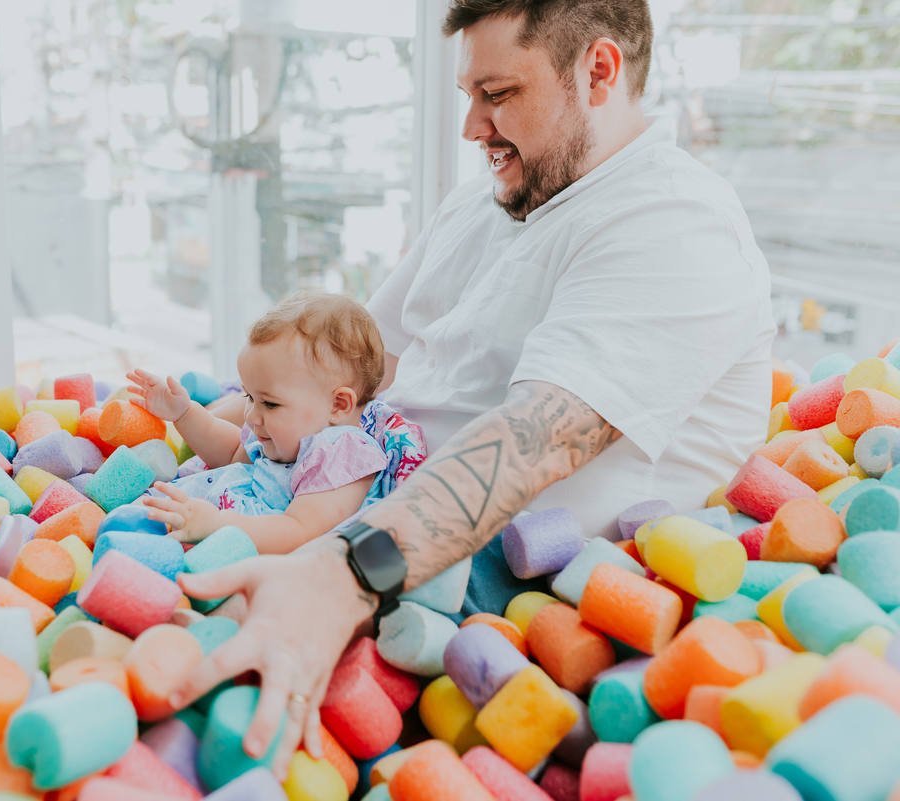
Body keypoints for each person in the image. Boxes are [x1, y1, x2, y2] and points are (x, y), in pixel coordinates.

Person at [168, 0, 775, 780]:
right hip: (329, 497)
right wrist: (202, 422)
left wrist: (339, 574)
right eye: (468, 95)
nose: (472, 127)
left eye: (498, 94)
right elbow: (357, 363)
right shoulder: (494, 196)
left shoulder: (674, 223)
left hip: (464, 592)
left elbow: (534, 441)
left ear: (598, 72)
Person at [127, 293, 395, 553]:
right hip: (192, 519)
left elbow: (299, 532)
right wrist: (184, 414)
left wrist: (216, 525)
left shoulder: (345, 454)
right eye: (249, 397)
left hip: (225, 544)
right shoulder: (282, 435)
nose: (251, 415)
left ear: (338, 405)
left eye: (270, 403)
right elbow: (231, 455)